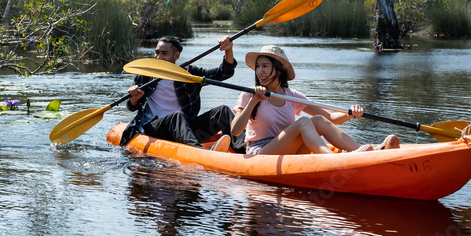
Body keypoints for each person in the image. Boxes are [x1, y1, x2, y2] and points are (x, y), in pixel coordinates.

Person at [230, 45, 400, 156]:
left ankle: (362, 153)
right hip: (260, 152)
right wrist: (254, 101)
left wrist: (350, 113)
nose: (260, 71)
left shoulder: (291, 95)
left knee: (317, 120)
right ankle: (331, 159)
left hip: (289, 151)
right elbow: (235, 131)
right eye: (258, 66)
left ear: (279, 70)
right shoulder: (249, 94)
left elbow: (328, 118)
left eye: (265, 66)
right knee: (304, 122)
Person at [122, 35, 244, 153]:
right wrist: (134, 99)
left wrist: (228, 50)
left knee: (222, 111)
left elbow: (223, 73)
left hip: (185, 129)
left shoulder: (187, 73)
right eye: (157, 52)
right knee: (177, 116)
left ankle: (244, 149)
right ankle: (200, 152)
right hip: (154, 128)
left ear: (176, 55)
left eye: (164, 53)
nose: (158, 57)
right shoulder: (145, 74)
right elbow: (131, 106)